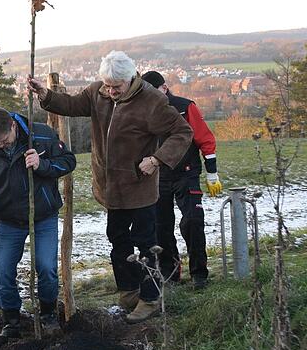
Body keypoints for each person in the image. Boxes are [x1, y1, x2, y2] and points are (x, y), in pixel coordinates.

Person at [27, 51, 193, 323]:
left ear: (131, 79)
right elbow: (70, 105)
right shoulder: (98, 93)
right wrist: (45, 95)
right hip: (110, 187)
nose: (111, 91)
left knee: (146, 244)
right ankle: (129, 290)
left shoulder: (152, 101)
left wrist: (156, 159)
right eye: (107, 85)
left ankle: (150, 298)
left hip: (139, 188)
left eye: (116, 87)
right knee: (117, 238)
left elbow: (182, 132)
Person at [0, 107, 76, 345]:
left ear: (13, 126)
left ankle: (47, 315)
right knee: (3, 271)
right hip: (8, 220)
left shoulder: (42, 135)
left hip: (43, 215)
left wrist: (42, 165)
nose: (1, 146)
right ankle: (11, 321)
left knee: (46, 268)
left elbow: (68, 161)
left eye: (4, 141)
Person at [142, 71, 222, 289]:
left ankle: (199, 274)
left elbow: (205, 139)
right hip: (157, 177)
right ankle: (171, 275)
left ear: (164, 88)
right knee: (161, 228)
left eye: (153, 91)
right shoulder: (142, 112)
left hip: (187, 173)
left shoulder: (186, 107)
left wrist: (212, 173)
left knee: (193, 221)